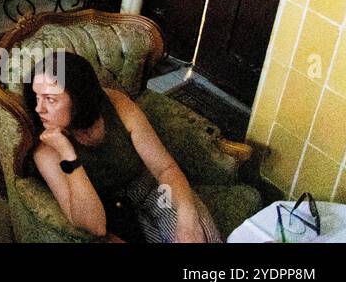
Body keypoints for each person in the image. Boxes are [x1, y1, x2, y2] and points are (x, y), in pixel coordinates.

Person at [26, 50, 220, 243]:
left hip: (155, 190)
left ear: (78, 100)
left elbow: (165, 168)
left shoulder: (115, 103)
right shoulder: (45, 150)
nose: (39, 108)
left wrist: (188, 219)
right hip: (113, 214)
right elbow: (95, 225)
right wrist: (67, 154)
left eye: (50, 99)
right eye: (37, 97)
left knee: (200, 239)